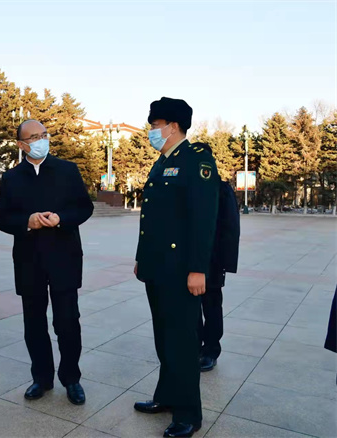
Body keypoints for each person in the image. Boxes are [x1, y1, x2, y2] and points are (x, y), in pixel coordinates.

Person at [133, 97, 219, 438]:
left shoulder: (197, 160)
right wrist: (141, 257)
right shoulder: (162, 162)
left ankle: (188, 414)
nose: (151, 132)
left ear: (173, 126)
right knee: (164, 337)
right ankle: (166, 396)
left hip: (182, 270)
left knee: (182, 343)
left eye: (155, 126)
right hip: (157, 268)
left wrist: (198, 269)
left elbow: (203, 220)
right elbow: (151, 219)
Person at [0, 119, 94, 406]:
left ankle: (71, 379)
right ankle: (42, 378)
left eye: (44, 135)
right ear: (21, 145)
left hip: (64, 259)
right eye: (34, 137)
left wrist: (61, 219)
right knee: (34, 324)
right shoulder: (12, 177)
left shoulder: (67, 170)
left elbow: (84, 207)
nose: (41, 140)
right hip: (29, 261)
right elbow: (2, 217)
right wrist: (27, 221)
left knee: (67, 323)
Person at [193, 142, 240, 372]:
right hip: (186, 260)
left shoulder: (221, 189)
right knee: (190, 308)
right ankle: (193, 346)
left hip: (212, 261)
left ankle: (211, 350)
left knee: (211, 306)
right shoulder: (186, 188)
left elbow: (230, 228)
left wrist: (224, 263)